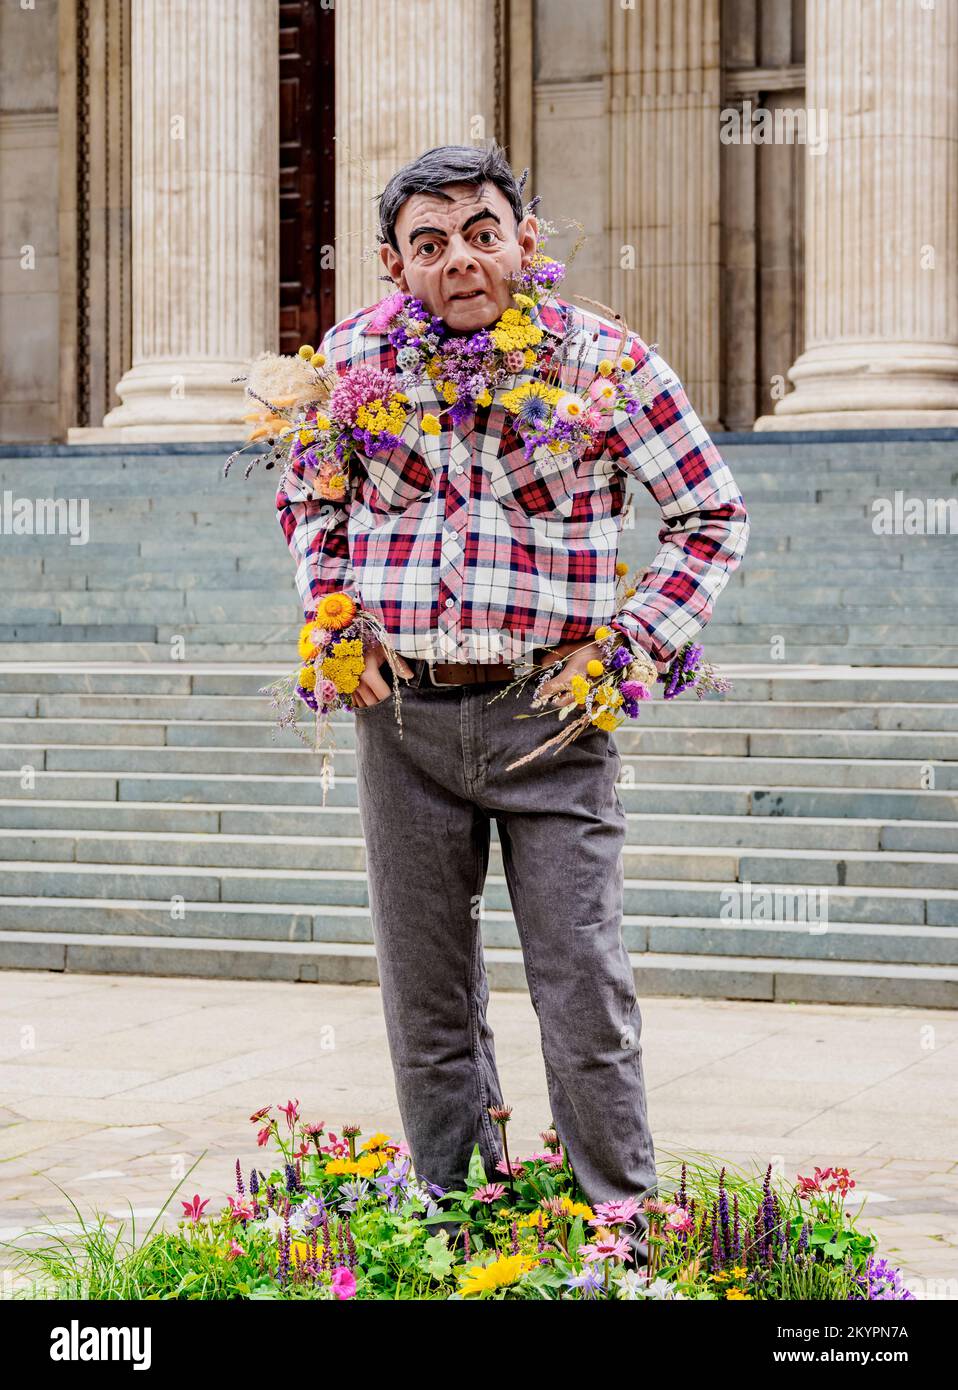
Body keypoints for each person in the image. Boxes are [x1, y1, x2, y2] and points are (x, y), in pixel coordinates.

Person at [276, 143, 749, 1263]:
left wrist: (631, 649)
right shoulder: (353, 365)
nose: (460, 260)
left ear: (524, 241)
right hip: (404, 716)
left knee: (581, 986)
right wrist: (333, 608)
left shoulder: (608, 365)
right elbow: (308, 498)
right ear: (395, 266)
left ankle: (616, 1228)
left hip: (554, 716)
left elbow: (710, 516)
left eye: (482, 232)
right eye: (428, 244)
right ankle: (450, 1216)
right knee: (425, 994)